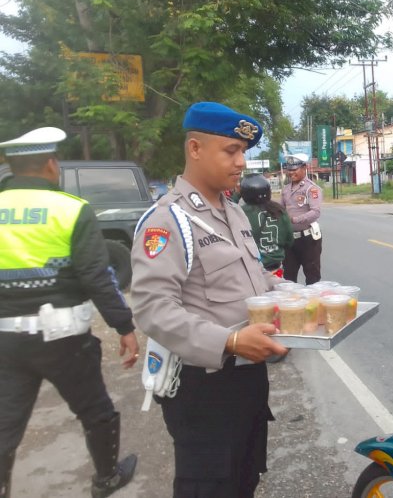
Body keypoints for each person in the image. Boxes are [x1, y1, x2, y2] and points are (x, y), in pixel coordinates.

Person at [130, 102, 288, 497]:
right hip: (204, 389)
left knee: (244, 479)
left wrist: (293, 293)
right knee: (208, 487)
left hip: (248, 380)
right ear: (195, 149)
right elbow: (152, 308)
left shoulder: (233, 212)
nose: (240, 162)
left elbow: (251, 279)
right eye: (230, 151)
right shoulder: (167, 220)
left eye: (243, 153)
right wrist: (230, 342)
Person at [0, 127, 139, 498]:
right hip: (64, 340)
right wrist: (124, 326)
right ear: (49, 164)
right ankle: (106, 479)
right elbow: (97, 277)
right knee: (95, 410)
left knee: (4, 427)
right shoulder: (71, 210)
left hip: (5, 342)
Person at [239, 174, 294, 277]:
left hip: (252, 268)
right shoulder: (279, 210)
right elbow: (289, 240)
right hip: (275, 267)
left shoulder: (240, 212)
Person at [280, 153, 323, 284]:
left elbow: (315, 212)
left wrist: (294, 220)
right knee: (288, 276)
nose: (291, 173)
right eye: (289, 169)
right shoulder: (286, 189)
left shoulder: (311, 188)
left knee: (312, 276)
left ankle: (312, 304)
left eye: (294, 169)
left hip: (308, 239)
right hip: (290, 239)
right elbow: (281, 209)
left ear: (304, 168)